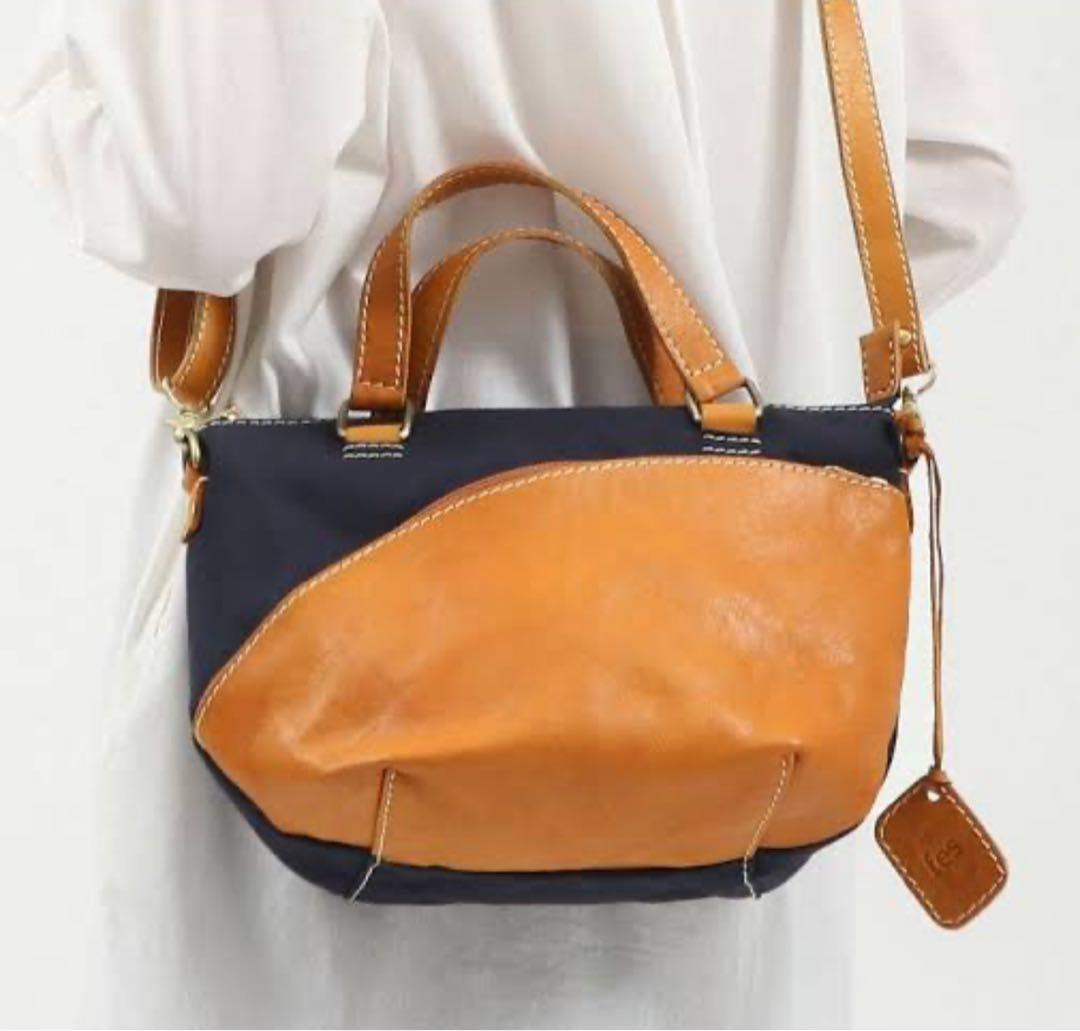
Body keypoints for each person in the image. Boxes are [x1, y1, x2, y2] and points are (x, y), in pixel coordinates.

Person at [8, 1, 1019, 1027]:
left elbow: (191, 190)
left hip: (347, 700)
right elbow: (955, 180)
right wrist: (748, 312)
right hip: (737, 707)